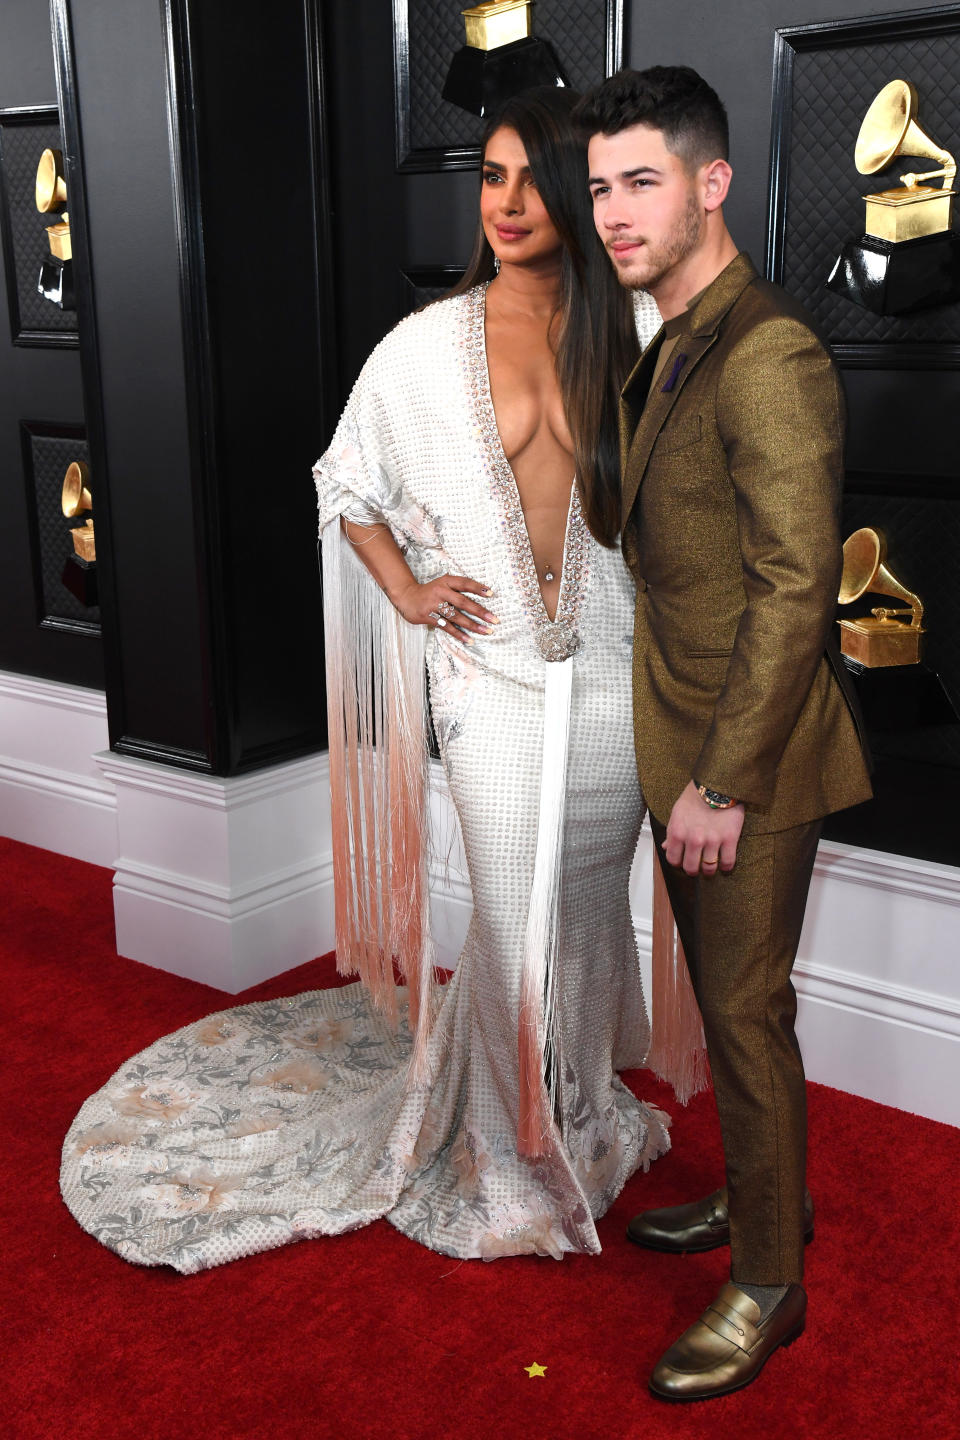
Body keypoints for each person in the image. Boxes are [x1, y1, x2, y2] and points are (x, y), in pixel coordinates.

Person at [59, 87, 678, 1272]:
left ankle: (585, 1114)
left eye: (530, 179)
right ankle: (506, 1157)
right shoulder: (425, 345)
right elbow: (345, 481)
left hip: (610, 679)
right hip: (488, 679)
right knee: (510, 915)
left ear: (582, 193)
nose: (503, 203)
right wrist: (406, 591)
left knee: (590, 910)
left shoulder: (643, 331)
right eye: (487, 178)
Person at [574, 66, 872, 1397]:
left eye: (641, 182)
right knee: (743, 1005)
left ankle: (767, 1284)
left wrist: (720, 783)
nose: (613, 213)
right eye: (599, 189)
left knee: (742, 1016)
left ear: (711, 184)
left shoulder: (767, 354)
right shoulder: (671, 343)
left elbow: (797, 589)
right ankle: (772, 1205)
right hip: (677, 731)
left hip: (737, 759)